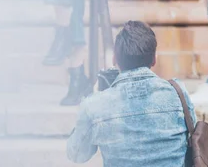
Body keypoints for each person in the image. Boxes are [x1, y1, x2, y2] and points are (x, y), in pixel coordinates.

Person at [67, 20, 196, 166]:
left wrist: (92, 103)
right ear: (154, 59)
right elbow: (192, 136)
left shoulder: (95, 105)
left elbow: (76, 154)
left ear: (115, 58)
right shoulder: (178, 93)